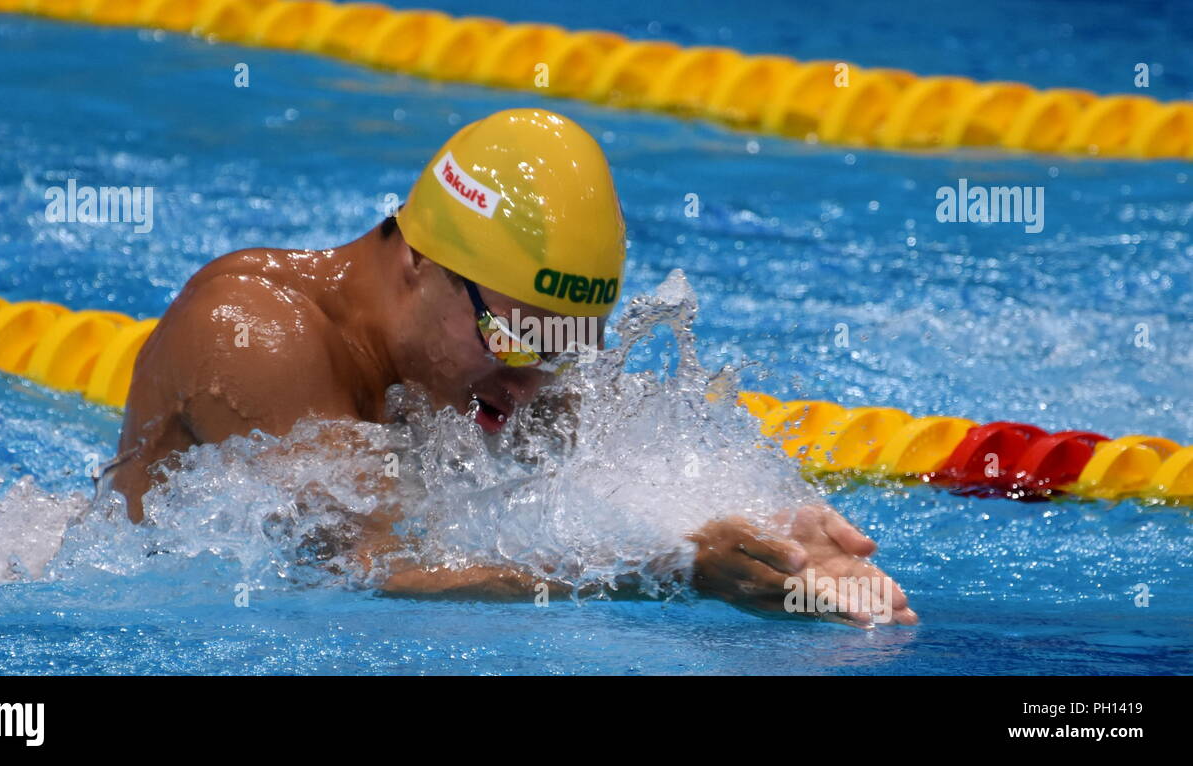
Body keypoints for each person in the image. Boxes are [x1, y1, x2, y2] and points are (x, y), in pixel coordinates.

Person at [108, 108, 916, 626]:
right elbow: (373, 575)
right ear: (419, 264)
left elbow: (610, 479)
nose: (530, 385)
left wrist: (772, 532)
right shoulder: (254, 335)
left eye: (564, 350)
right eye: (515, 336)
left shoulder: (495, 371)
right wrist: (668, 570)